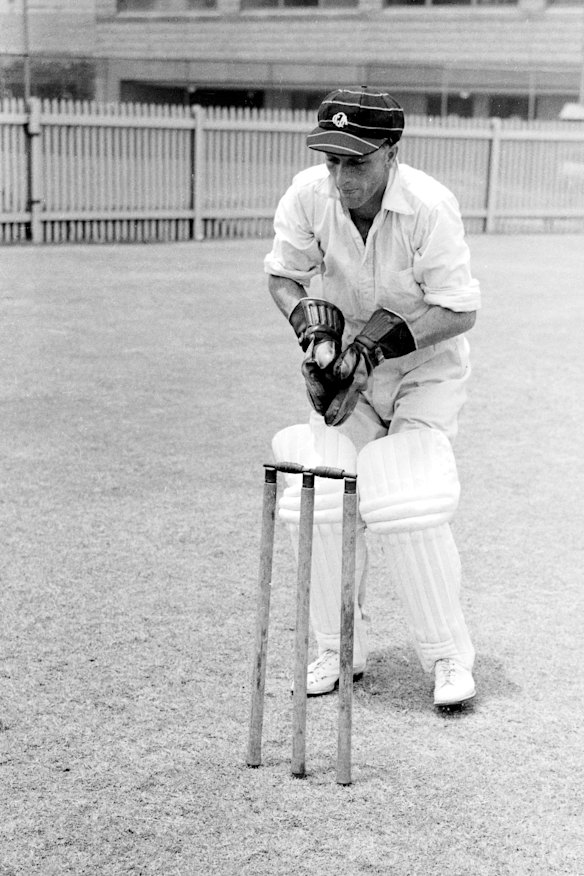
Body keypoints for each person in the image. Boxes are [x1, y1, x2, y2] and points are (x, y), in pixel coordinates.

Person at [264, 86, 480, 707]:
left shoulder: (430, 207)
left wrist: (374, 348)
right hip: (344, 376)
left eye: (356, 162)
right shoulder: (309, 195)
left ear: (391, 151)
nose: (341, 178)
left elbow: (459, 310)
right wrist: (311, 327)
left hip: (422, 368)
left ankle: (447, 657)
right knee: (325, 494)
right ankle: (337, 647)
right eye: (332, 161)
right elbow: (282, 275)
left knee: (409, 492)